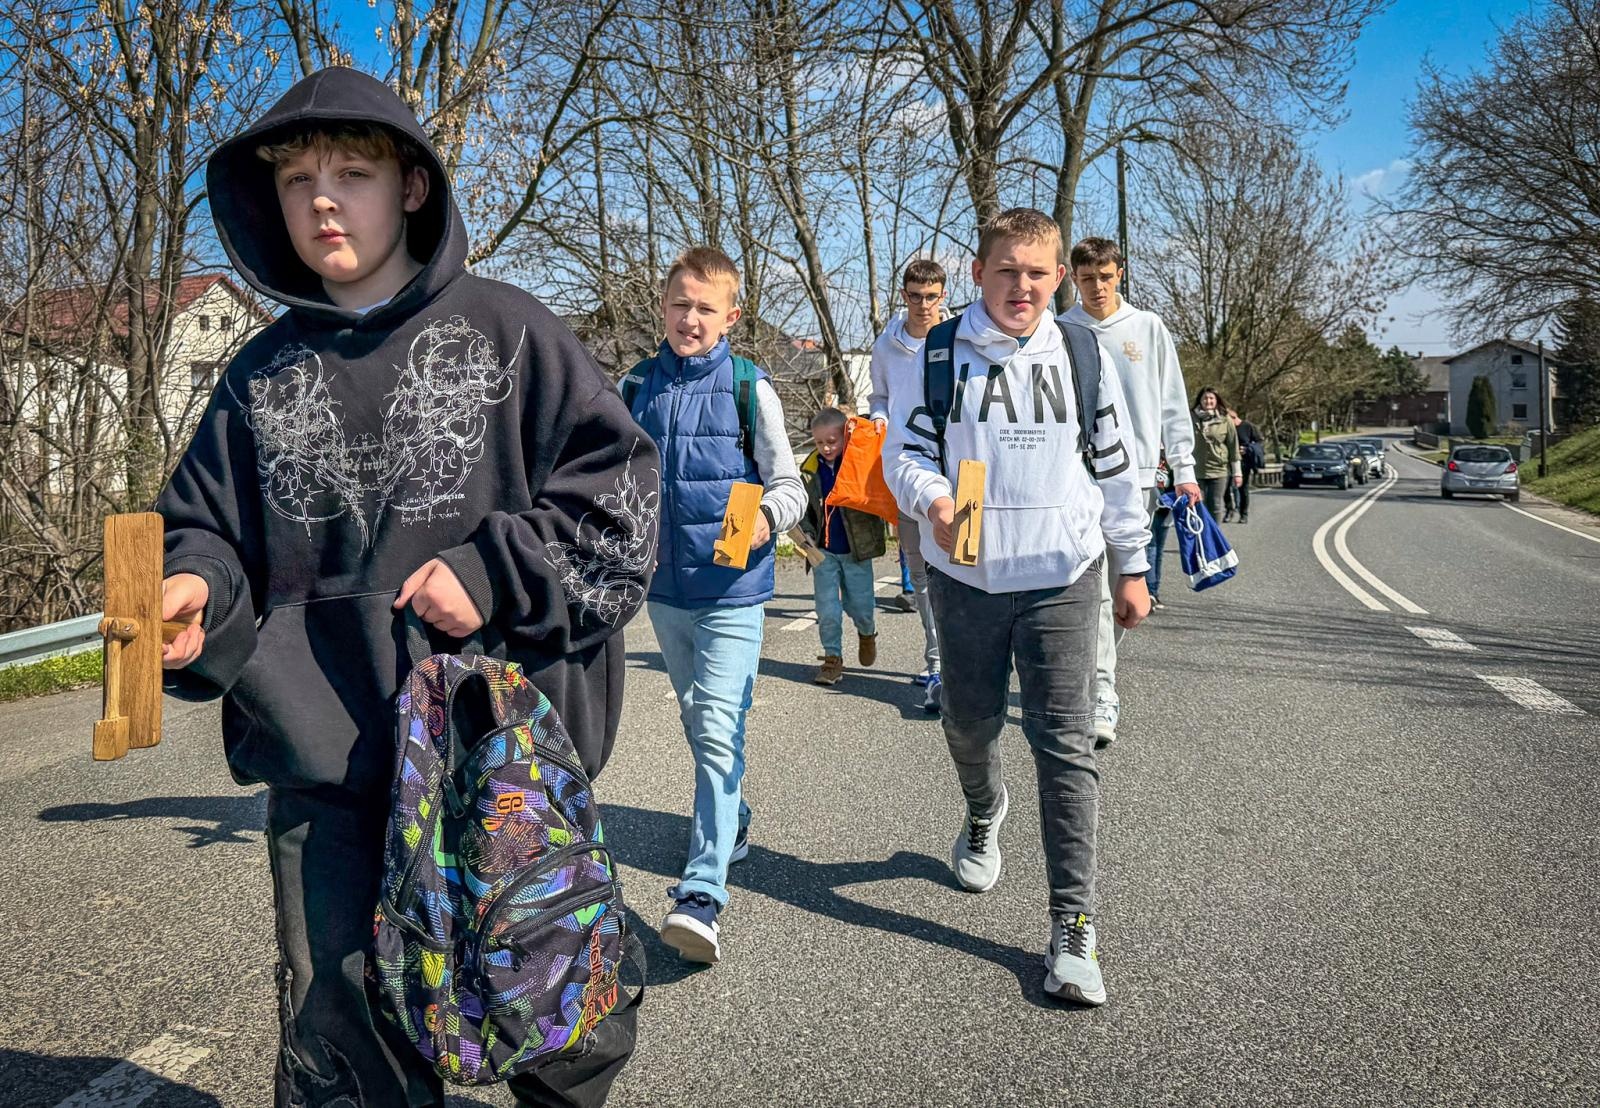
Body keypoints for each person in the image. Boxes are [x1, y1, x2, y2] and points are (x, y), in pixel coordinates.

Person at [155, 67, 657, 1107]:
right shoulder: (256, 379)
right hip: (327, 764)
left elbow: (624, 504)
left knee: (559, 1020)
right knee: (341, 1035)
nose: (322, 200)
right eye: (296, 180)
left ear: (413, 186)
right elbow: (201, 529)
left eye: (352, 172)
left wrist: (492, 571)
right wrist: (193, 592)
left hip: (501, 758)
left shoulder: (511, 334)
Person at [885, 208, 1152, 1007]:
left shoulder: (1081, 350)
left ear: (1058, 278)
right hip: (964, 575)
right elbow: (905, 450)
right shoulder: (938, 352)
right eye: (1007, 271)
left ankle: (1074, 925)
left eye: (1038, 273)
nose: (1022, 287)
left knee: (1065, 744)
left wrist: (1131, 564)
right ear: (978, 273)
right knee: (968, 723)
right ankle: (981, 808)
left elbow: (1115, 463)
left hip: (1062, 574)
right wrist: (932, 498)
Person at [622, 246, 806, 965]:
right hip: (664, 593)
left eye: (706, 308)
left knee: (718, 723)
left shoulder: (747, 387)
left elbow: (788, 483)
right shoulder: (635, 385)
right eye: (680, 304)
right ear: (663, 308)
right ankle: (732, 819)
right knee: (700, 720)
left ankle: (701, 893)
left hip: (733, 589)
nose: (690, 318)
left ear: (731, 315)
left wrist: (765, 519)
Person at [1058, 237, 1198, 747]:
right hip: (1080, 479)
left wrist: (1184, 469)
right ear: (1073, 278)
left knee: (1123, 592)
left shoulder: (1148, 328)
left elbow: (1172, 403)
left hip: (1137, 477)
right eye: (1087, 278)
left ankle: (1099, 669)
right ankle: (1102, 689)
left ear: (1121, 274)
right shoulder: (1061, 331)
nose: (1097, 287)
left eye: (1106, 276)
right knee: (1092, 591)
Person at [868, 257, 948, 712]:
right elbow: (879, 396)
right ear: (904, 295)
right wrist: (879, 419)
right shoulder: (886, 346)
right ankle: (936, 660)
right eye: (915, 297)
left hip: (955, 470)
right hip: (905, 469)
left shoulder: (956, 338)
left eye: (931, 297)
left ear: (943, 296)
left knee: (961, 569)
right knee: (920, 576)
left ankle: (967, 662)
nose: (923, 305)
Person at [799, 407, 886, 686]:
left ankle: (866, 631)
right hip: (823, 551)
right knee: (827, 609)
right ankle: (832, 659)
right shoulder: (810, 470)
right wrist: (807, 535)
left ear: (844, 438)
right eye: (819, 442)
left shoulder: (860, 465)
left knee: (859, 605)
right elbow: (805, 510)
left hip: (856, 549)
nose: (825, 447)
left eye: (831, 441)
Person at [1192, 386, 1241, 521]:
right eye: (1205, 398)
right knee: (1197, 505)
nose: (1208, 401)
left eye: (1211, 398)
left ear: (1216, 400)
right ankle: (1199, 536)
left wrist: (1237, 473)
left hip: (1218, 469)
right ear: (1200, 400)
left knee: (1216, 505)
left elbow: (1233, 446)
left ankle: (1213, 537)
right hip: (1196, 469)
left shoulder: (1225, 419)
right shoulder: (1191, 417)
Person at [1224, 408, 1264, 523]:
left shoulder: (1248, 427)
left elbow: (1259, 442)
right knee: (1225, 488)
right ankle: (1229, 510)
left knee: (1243, 488)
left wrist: (1247, 449)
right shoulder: (1226, 428)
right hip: (1227, 462)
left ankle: (1243, 514)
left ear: (1234, 417)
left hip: (1244, 462)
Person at [1146, 456, 1172, 609]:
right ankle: (1151, 591)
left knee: (1156, 549)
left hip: (1166, 503)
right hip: (1154, 500)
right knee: (1152, 548)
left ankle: (1153, 591)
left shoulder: (1171, 451)